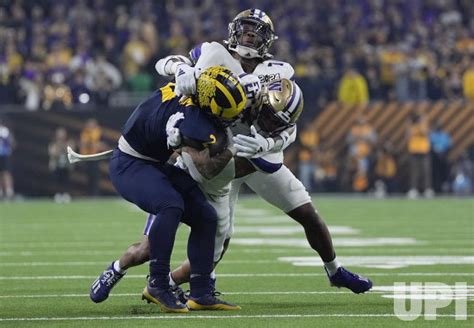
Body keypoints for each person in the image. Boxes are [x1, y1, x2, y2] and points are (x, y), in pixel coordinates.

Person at [93, 8, 372, 303]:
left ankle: (334, 270)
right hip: (214, 157)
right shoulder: (212, 53)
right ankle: (159, 280)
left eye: (257, 31)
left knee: (308, 214)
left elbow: (289, 126)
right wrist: (182, 71)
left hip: (257, 155)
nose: (250, 35)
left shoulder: (279, 71)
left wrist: (268, 146)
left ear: (267, 40)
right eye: (246, 28)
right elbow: (170, 63)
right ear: (234, 30)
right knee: (197, 241)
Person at [91, 66, 247, 312]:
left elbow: (173, 63)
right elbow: (207, 169)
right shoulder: (193, 120)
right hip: (130, 164)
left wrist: (183, 68)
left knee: (207, 216)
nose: (231, 118)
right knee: (170, 205)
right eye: (227, 113)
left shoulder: (194, 84)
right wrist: (232, 149)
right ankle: (157, 283)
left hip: (152, 163)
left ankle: (201, 291)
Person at [0, 119, 15, 200]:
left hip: (4, 155)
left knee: (6, 173)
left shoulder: (4, 130)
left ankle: (9, 191)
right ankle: (1, 192)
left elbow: (11, 142)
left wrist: (9, 149)